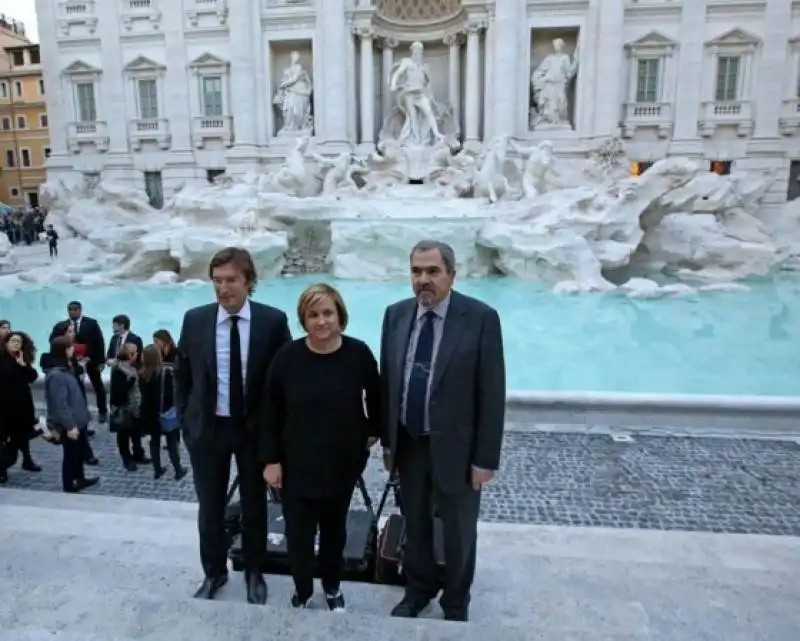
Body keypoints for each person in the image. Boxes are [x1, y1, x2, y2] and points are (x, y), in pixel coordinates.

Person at [379, 240, 506, 623]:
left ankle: (455, 602)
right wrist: (389, 444)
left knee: (458, 531)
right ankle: (417, 590)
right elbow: (389, 382)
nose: (424, 280)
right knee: (414, 525)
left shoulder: (480, 318)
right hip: (410, 444)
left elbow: (492, 391)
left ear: (451, 274)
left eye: (433, 272)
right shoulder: (395, 315)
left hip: (458, 449)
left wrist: (485, 459)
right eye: (417, 272)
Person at [175, 246, 292, 604]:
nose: (223, 288)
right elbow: (182, 375)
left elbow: (283, 381)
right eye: (217, 281)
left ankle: (255, 571)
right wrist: (186, 421)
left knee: (255, 505)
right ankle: (214, 573)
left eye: (231, 281)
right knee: (209, 507)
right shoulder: (195, 319)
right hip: (208, 430)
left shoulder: (272, 322)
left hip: (253, 430)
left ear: (249, 282)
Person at [261, 283, 380, 611]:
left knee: (334, 533)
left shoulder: (358, 354)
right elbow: (269, 410)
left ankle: (331, 586)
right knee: (298, 537)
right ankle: (302, 589)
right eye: (313, 314)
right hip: (296, 464)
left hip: (341, 464)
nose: (321, 321)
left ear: (340, 315)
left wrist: (371, 432)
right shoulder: (288, 358)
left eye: (328, 313)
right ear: (304, 320)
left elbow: (377, 396)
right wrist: (270, 460)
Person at [43, 336, 99, 493]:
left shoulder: (67, 368)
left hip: (78, 420)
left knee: (78, 453)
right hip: (71, 423)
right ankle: (69, 485)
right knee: (71, 455)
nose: (73, 349)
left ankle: (80, 478)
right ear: (64, 350)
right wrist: (70, 426)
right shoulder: (57, 375)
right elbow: (60, 404)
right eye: (70, 347)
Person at [138, 344, 187, 481]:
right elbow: (172, 395)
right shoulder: (166, 373)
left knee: (154, 442)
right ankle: (178, 470)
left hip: (150, 415)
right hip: (166, 413)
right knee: (172, 443)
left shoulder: (142, 374)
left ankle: (157, 470)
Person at [0, 331, 41, 482]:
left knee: (23, 434)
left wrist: (23, 365)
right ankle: (2, 468)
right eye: (13, 341)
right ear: (6, 343)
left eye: (19, 342)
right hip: (5, 406)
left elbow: (32, 377)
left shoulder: (21, 359)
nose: (16, 344)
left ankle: (27, 460)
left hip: (22, 406)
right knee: (6, 438)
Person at [64, 302, 107, 423]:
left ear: (80, 310)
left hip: (91, 359)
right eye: (69, 309)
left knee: (98, 386)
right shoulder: (65, 324)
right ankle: (82, 412)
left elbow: (99, 341)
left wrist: (101, 361)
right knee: (77, 387)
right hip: (75, 361)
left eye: (74, 309)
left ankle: (102, 411)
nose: (72, 311)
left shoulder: (91, 323)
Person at [109, 342, 146, 471]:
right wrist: (131, 380)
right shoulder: (119, 370)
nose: (137, 355)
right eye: (135, 352)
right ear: (130, 355)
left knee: (136, 432)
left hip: (134, 407)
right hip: (123, 408)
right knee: (124, 434)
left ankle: (138, 454)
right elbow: (119, 391)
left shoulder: (132, 367)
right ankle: (127, 459)